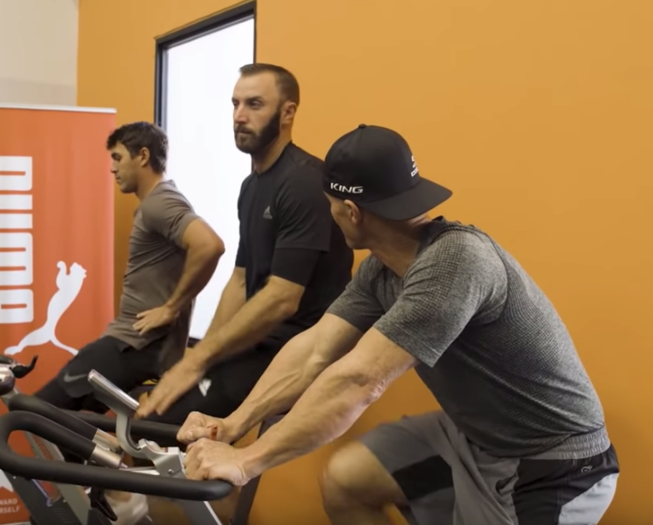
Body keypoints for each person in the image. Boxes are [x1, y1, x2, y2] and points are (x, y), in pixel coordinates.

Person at [178, 124, 620, 525]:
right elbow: (315, 350)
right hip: (473, 437)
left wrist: (248, 461)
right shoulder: (383, 269)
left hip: (552, 465)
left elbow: (358, 380)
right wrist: (235, 423)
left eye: (329, 206)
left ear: (351, 212)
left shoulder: (454, 263)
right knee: (349, 481)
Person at [136, 64, 354, 424]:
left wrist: (199, 360)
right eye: (235, 104)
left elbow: (282, 298)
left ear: (288, 112)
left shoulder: (304, 182)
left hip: (301, 346)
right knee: (158, 413)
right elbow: (240, 280)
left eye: (254, 104)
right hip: (261, 339)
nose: (239, 116)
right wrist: (201, 355)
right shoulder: (250, 187)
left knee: (170, 423)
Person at [33, 120, 225, 416]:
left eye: (118, 157)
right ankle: (105, 454)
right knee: (70, 425)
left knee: (32, 414)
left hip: (133, 346)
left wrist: (171, 308)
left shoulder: (159, 203)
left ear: (143, 156)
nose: (112, 168)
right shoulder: (158, 203)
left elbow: (210, 245)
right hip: (135, 346)